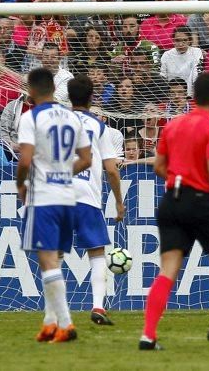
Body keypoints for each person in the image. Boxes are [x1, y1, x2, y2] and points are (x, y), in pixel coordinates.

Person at [140, 72, 209, 351]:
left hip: (170, 201)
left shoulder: (174, 124)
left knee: (167, 270)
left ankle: (148, 336)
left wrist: (180, 178)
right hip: (199, 200)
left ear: (193, 95)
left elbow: (159, 167)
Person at [16, 67, 91, 343]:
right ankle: (49, 323)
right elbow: (86, 159)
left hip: (44, 197)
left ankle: (67, 325)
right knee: (55, 260)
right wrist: (61, 172)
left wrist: (20, 185)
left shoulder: (30, 117)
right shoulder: (72, 117)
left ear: (33, 90)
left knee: (47, 262)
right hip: (67, 196)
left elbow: (24, 161)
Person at [67, 75, 125, 325]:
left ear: (69, 97)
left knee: (53, 253)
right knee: (97, 252)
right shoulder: (98, 126)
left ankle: (54, 312)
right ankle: (98, 307)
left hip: (56, 193)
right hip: (86, 195)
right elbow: (112, 169)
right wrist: (119, 202)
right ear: (92, 98)